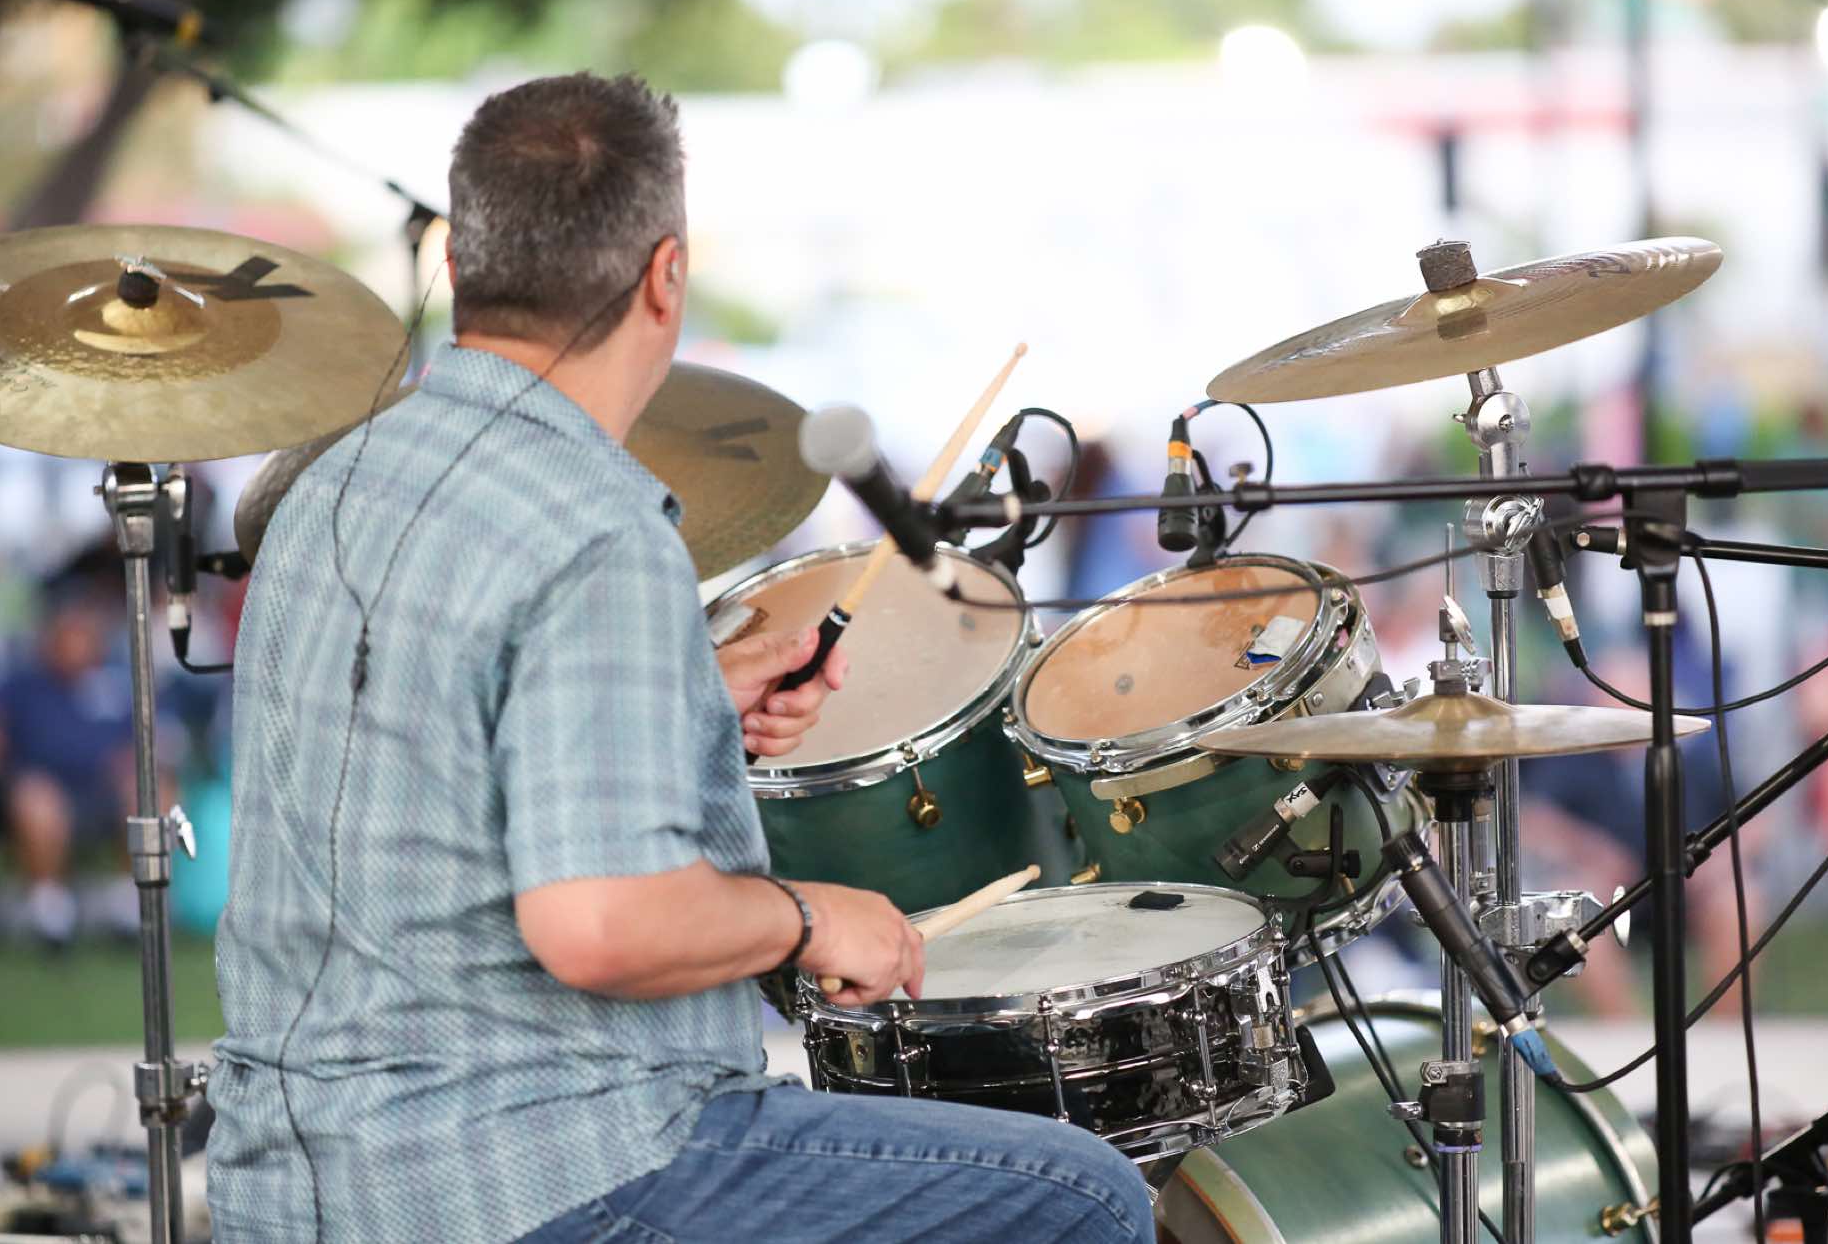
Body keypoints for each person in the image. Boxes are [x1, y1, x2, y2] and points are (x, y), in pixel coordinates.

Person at [207, 72, 1154, 1244]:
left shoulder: (335, 480)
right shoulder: (591, 527)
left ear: (457, 261)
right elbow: (599, 926)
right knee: (1083, 1198)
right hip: (539, 1171)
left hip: (297, 1180)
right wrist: (809, 918)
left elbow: (420, 746)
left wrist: (689, 697)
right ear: (665, 275)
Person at [0, 565, 152, 946]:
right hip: (35, 790)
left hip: (99, 789)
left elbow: (138, 742)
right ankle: (50, 913)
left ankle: (128, 904)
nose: (79, 641)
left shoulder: (114, 682)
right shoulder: (20, 683)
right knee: (39, 799)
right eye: (71, 631)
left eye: (86, 631)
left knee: (149, 788)